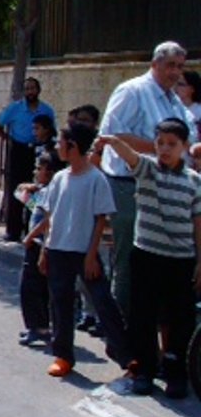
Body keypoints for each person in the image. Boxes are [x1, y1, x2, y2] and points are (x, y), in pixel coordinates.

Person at [95, 120, 201, 399]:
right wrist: (111, 141)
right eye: (160, 143)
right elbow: (129, 155)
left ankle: (176, 372)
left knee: (179, 320)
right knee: (143, 315)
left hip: (181, 260)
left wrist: (200, 261)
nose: (165, 149)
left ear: (185, 148)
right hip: (146, 256)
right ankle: (144, 370)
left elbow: (198, 224)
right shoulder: (148, 170)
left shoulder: (194, 182)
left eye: (172, 144)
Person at [98, 41, 199, 318]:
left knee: (158, 263)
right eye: (170, 66)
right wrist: (162, 149)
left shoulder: (174, 101)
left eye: (180, 67)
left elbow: (187, 140)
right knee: (130, 261)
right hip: (130, 186)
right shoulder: (133, 91)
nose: (176, 72)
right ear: (155, 64)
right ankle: (121, 333)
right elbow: (114, 135)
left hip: (168, 189)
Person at [36, 122, 130, 378]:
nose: (57, 146)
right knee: (61, 304)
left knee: (103, 302)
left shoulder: (96, 179)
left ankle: (126, 356)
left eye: (61, 142)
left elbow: (101, 219)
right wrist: (45, 249)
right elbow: (51, 215)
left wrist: (91, 256)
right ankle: (63, 355)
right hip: (58, 250)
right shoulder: (59, 178)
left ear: (73, 146)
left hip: (84, 253)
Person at [0, 78, 55, 242]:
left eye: (32, 88)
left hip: (37, 151)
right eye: (26, 89)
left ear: (38, 90)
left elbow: (52, 130)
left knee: (35, 190)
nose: (29, 92)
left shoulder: (47, 110)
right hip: (18, 150)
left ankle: (31, 228)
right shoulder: (15, 108)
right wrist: (7, 139)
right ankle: (13, 230)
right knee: (16, 190)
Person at [16, 150, 62, 347]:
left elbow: (47, 219)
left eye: (39, 169)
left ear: (50, 172)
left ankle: (39, 328)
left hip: (39, 245)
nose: (36, 172)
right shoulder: (43, 190)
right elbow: (20, 194)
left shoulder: (50, 192)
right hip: (38, 244)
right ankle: (38, 326)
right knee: (37, 287)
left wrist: (31, 236)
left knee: (30, 287)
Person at [175, 70, 201, 142]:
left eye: (181, 84)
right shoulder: (175, 108)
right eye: (176, 84)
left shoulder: (199, 110)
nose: (176, 88)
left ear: (192, 89)